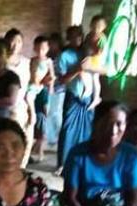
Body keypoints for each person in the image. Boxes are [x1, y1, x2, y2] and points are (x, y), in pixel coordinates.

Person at [55, 25, 100, 175]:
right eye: (73, 36)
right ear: (68, 38)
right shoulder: (64, 56)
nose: (77, 39)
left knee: (86, 130)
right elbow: (61, 80)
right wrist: (76, 70)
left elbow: (101, 69)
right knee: (68, 129)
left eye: (79, 36)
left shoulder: (87, 53)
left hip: (88, 98)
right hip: (73, 96)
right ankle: (63, 163)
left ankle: (82, 161)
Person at [29, 36, 56, 163]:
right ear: (34, 48)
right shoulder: (32, 60)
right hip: (33, 89)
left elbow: (52, 76)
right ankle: (34, 148)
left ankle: (40, 151)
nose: (41, 50)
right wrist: (39, 81)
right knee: (33, 116)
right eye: (38, 48)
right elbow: (32, 77)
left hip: (43, 91)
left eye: (44, 48)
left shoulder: (49, 61)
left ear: (48, 49)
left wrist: (50, 89)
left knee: (44, 117)